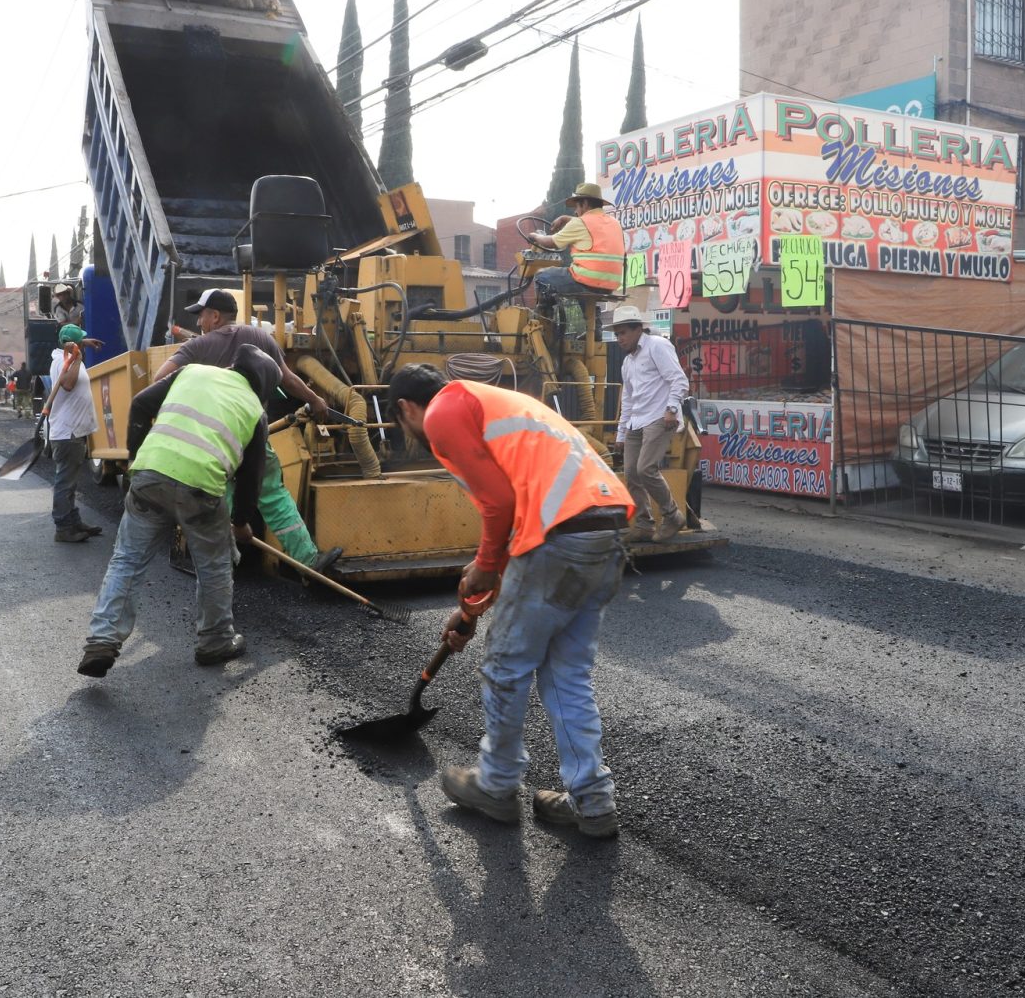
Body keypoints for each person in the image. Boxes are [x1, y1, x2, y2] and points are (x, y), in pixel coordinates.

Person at [387, 363, 634, 839]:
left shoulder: (443, 411)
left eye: (402, 424)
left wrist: (483, 564)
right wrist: (473, 607)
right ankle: (594, 802)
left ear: (406, 407)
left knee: (505, 667)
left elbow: (499, 504)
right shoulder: (494, 405)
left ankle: (496, 785)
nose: (410, 433)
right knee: (566, 675)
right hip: (601, 529)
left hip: (559, 538)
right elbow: (522, 523)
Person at [76, 346, 282, 677]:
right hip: (200, 491)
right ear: (263, 387)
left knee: (127, 559)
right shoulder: (256, 410)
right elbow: (251, 477)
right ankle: (215, 640)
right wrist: (241, 522)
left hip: (149, 477)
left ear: (233, 365)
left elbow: (141, 403)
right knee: (214, 565)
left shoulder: (191, 372)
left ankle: (102, 639)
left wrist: (134, 460)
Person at [152, 289, 341, 573]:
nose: (199, 322)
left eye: (201, 315)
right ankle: (309, 560)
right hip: (251, 428)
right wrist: (315, 400)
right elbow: (287, 379)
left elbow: (158, 379)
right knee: (272, 492)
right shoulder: (261, 338)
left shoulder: (199, 347)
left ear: (215, 316)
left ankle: (221, 564)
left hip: (214, 435)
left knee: (219, 493)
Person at [609, 305, 691, 542]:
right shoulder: (627, 363)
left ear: (637, 330)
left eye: (623, 332)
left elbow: (679, 379)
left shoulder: (657, 345)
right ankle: (644, 524)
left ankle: (672, 514)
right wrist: (621, 434)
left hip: (659, 417)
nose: (619, 338)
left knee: (645, 469)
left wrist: (672, 409)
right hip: (636, 421)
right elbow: (628, 398)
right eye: (617, 334)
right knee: (631, 473)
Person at [46, 325, 104, 543]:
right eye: (81, 341)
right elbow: (69, 384)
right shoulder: (65, 361)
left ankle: (72, 521)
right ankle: (63, 528)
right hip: (67, 433)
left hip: (73, 431)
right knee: (65, 482)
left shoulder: (66, 357)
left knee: (70, 482)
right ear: (74, 346)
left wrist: (82, 345)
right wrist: (77, 355)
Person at [526, 182, 626, 299]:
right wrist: (566, 218)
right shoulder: (615, 223)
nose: (575, 211)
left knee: (541, 276)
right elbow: (592, 225)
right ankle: (588, 316)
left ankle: (544, 314)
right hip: (610, 284)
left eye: (577, 207)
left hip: (589, 281)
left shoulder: (580, 223)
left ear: (585, 203)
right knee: (580, 285)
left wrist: (534, 236)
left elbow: (551, 242)